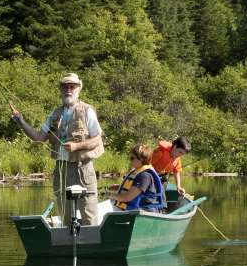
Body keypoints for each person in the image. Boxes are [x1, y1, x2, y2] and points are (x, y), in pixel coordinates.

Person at [10, 73, 105, 225]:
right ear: (61, 90)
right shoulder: (55, 114)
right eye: (65, 87)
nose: (68, 90)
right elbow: (39, 137)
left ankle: (92, 244)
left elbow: (97, 139)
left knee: (88, 215)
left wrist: (77, 146)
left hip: (83, 169)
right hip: (61, 169)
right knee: (65, 216)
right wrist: (21, 121)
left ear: (78, 89)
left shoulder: (87, 111)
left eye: (72, 87)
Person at [112, 144, 166, 212]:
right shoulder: (138, 172)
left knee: (113, 201)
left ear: (141, 159)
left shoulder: (144, 176)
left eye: (132, 158)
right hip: (138, 209)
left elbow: (127, 197)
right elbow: (135, 189)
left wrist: (110, 195)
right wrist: (118, 187)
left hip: (147, 211)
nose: (130, 160)